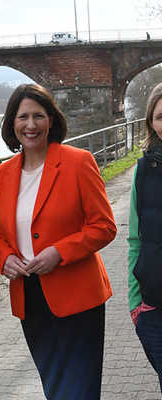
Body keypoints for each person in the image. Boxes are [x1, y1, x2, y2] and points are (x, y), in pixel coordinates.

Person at [0, 83, 117, 399]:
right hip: (30, 299)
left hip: (77, 298)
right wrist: (5, 256)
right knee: (54, 387)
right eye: (22, 117)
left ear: (51, 120)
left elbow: (104, 226)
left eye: (38, 116)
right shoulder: (5, 173)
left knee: (78, 390)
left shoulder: (78, 161)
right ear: (12, 124)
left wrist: (59, 252)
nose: (30, 125)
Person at [128, 82, 162, 391]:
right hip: (155, 305)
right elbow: (134, 241)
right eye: (161, 116)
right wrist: (134, 301)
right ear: (151, 122)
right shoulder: (143, 170)